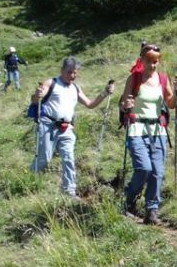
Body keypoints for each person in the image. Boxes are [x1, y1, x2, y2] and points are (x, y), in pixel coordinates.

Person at [30, 56, 114, 197]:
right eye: (69, 72)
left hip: (66, 128)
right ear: (62, 70)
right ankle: (31, 179)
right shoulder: (52, 83)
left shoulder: (75, 88)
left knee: (68, 157)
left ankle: (69, 190)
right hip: (47, 125)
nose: (72, 76)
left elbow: (90, 104)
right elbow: (36, 98)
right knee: (44, 158)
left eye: (75, 73)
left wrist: (105, 93)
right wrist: (37, 94)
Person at [118, 42, 177, 225]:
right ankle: (129, 200)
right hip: (136, 128)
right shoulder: (134, 78)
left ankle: (152, 211)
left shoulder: (162, 79)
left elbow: (170, 103)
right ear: (142, 60)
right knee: (144, 168)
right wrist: (126, 105)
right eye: (150, 61)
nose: (153, 65)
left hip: (157, 130)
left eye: (156, 61)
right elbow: (123, 102)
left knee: (157, 172)